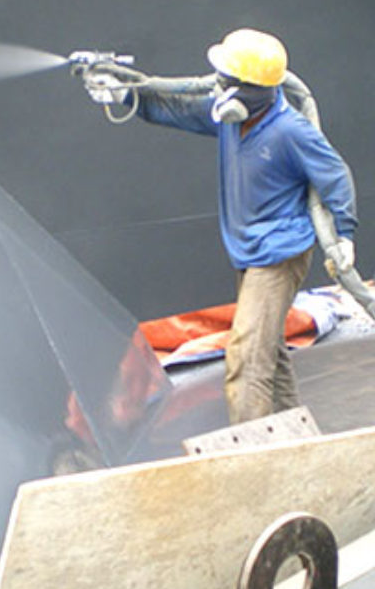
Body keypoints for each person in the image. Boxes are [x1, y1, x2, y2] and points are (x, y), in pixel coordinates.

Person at [87, 29, 357, 424]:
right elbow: (173, 108)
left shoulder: (290, 131)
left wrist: (344, 236)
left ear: (254, 89)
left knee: (246, 360)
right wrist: (125, 95)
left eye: (228, 81)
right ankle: (292, 436)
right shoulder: (231, 119)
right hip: (249, 250)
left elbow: (336, 176)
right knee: (271, 351)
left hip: (278, 256)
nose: (218, 87)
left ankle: (250, 459)